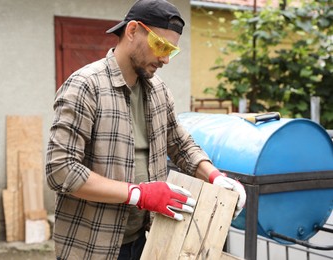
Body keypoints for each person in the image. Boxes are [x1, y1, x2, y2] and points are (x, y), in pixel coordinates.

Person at [45, 0, 246, 259]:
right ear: (132, 31)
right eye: (160, 46)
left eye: (171, 51)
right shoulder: (85, 86)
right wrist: (138, 194)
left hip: (143, 242)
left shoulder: (157, 89)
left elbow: (180, 143)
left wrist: (216, 177)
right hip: (92, 246)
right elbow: (61, 170)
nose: (164, 59)